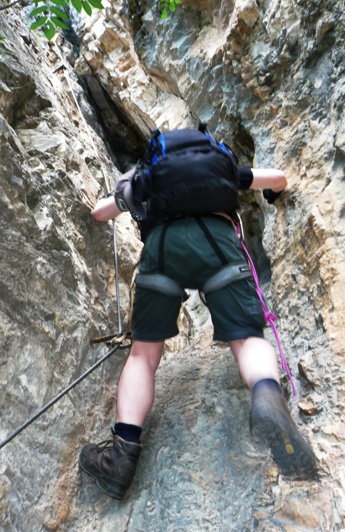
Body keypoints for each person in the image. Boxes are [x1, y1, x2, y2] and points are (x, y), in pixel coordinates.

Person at [79, 132, 318, 500]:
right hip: (218, 240)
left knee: (144, 354)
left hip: (162, 248)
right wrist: (272, 193)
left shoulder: (152, 177)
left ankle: (121, 454)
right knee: (247, 338)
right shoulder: (220, 170)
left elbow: (99, 212)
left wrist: (128, 194)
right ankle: (268, 396)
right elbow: (280, 178)